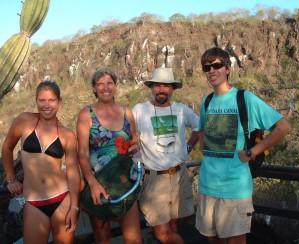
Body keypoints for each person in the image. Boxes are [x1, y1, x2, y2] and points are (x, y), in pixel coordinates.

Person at [195, 47, 292, 244]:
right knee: (212, 239)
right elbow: (202, 130)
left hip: (234, 187)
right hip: (207, 184)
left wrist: (253, 151)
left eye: (217, 65)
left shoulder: (244, 98)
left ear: (227, 68)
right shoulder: (206, 101)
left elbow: (283, 127)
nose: (212, 71)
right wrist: (204, 147)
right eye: (207, 67)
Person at [2, 81, 81, 244]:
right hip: (33, 201)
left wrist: (74, 207)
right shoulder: (25, 120)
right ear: (36, 100)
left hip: (62, 199)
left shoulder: (67, 134)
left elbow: (73, 172)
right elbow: (7, 148)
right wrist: (10, 178)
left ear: (59, 102)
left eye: (51, 100)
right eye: (41, 100)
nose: (46, 105)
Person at [132, 67, 199, 244]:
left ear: (172, 89)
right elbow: (129, 135)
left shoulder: (181, 109)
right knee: (163, 233)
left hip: (179, 175)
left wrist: (189, 146)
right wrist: (134, 150)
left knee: (175, 225)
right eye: (158, 86)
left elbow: (199, 127)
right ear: (152, 88)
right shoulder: (139, 110)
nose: (162, 90)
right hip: (153, 179)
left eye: (166, 86)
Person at [77, 67, 142, 244]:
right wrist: (92, 184)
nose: (105, 88)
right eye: (100, 84)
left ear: (115, 86)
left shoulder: (126, 111)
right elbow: (82, 152)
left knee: (134, 238)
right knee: (103, 238)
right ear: (93, 88)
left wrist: (136, 151)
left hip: (124, 182)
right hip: (100, 183)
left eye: (109, 83)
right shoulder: (86, 114)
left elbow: (134, 140)